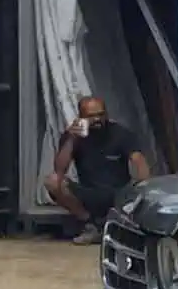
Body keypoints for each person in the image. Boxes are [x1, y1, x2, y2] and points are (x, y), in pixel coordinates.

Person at [45, 96, 148, 236]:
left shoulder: (120, 133)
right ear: (81, 117)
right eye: (91, 116)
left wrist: (144, 188)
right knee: (53, 181)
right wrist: (72, 139)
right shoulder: (73, 137)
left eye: (100, 114)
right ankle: (89, 224)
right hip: (89, 193)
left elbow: (138, 161)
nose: (97, 120)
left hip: (118, 194)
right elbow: (60, 169)